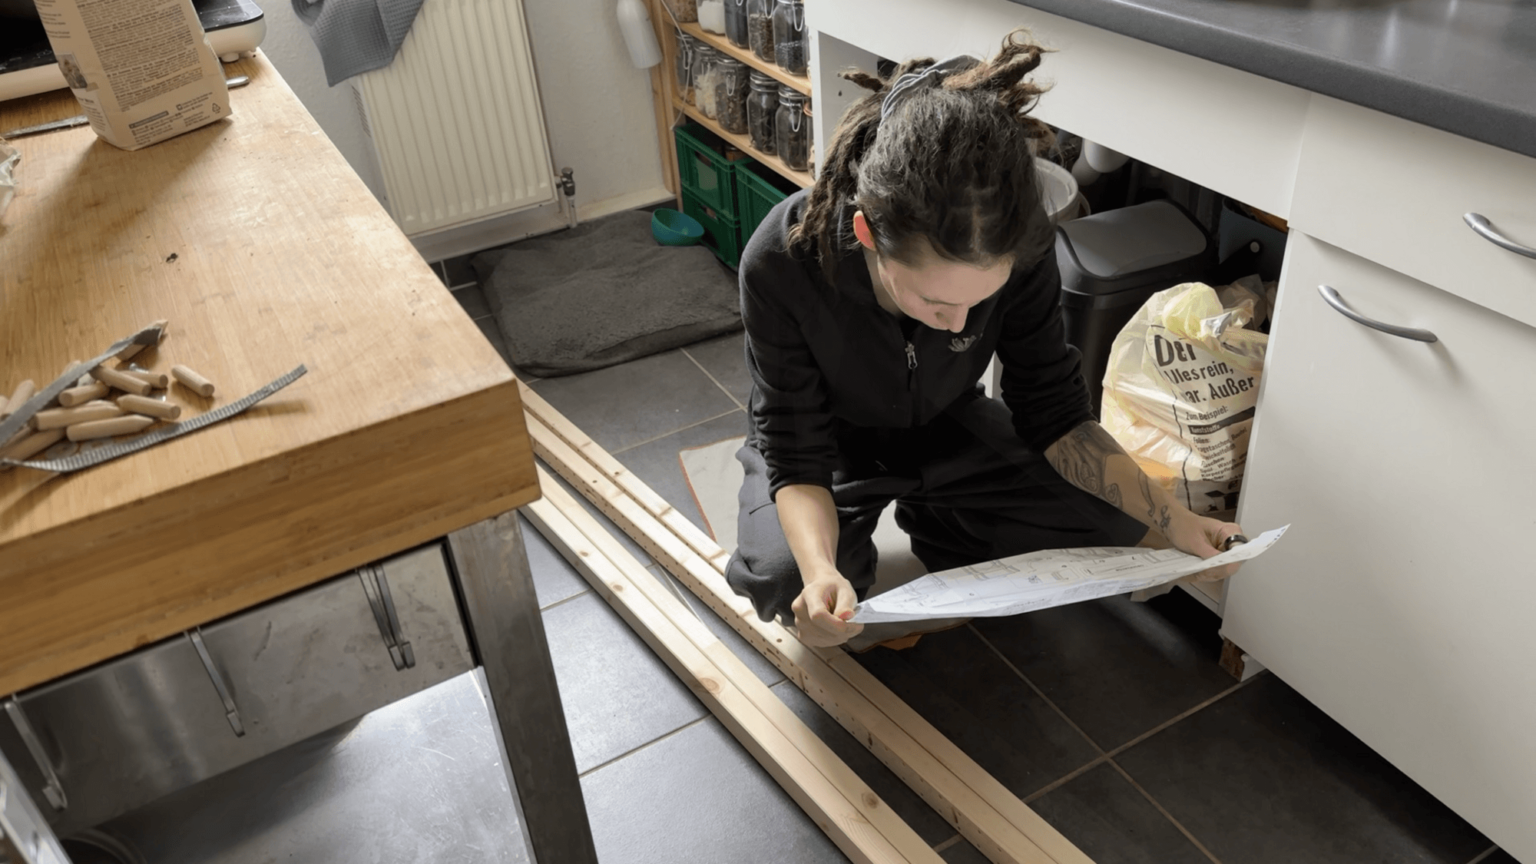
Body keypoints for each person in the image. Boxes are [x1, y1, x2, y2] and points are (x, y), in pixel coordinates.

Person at [724, 31, 1245, 649]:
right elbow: (795, 447)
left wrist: (1176, 519)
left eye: (978, 303)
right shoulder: (781, 259)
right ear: (867, 232)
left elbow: (1053, 412)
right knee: (790, 586)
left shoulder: (1020, 246)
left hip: (946, 422)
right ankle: (851, 560)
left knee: (1119, 525)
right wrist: (821, 574)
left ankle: (945, 525)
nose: (957, 324)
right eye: (934, 302)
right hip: (828, 444)